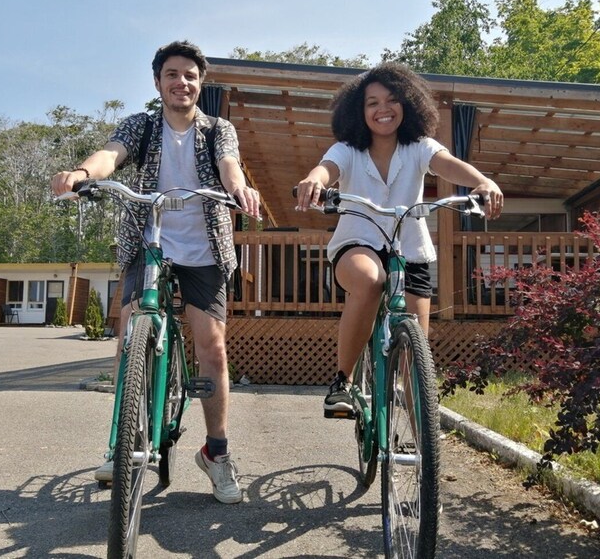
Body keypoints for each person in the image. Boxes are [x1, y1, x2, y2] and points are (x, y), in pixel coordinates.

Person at [50, 40, 260, 503]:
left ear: (199, 83)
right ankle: (123, 444)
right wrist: (82, 173)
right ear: (158, 82)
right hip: (149, 244)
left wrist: (240, 188)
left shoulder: (216, 129)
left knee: (212, 348)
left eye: (189, 75)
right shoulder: (141, 126)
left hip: (204, 248)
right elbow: (110, 155)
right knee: (130, 338)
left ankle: (217, 453)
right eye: (172, 74)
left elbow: (230, 166)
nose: (181, 82)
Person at [295, 62, 503, 415]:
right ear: (359, 112)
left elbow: (448, 163)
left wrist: (483, 182)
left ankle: (417, 425)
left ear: (408, 104)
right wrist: (314, 180)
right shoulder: (347, 149)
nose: (382, 109)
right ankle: (343, 382)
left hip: (410, 249)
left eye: (391, 100)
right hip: (357, 241)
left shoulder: (419, 147)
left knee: (415, 348)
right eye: (372, 102)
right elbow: (326, 169)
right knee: (369, 280)